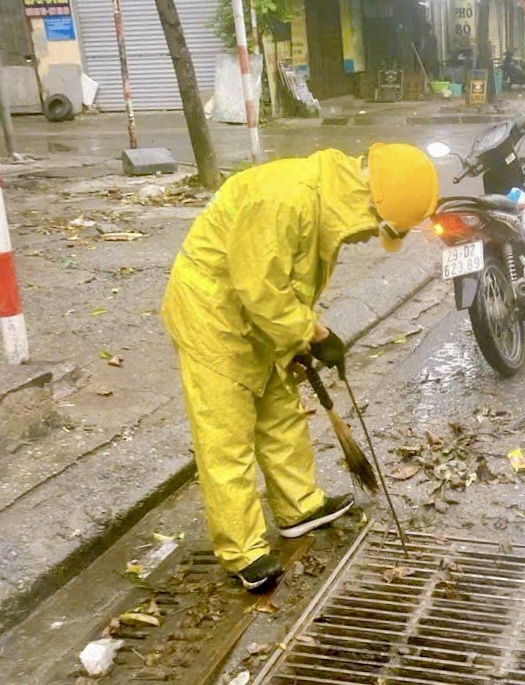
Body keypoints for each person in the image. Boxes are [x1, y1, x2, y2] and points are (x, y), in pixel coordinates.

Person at [160, 144, 439, 592]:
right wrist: (316, 335)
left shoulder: (324, 203)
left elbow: (284, 283)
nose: (371, 238)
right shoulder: (285, 198)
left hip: (257, 318)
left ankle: (298, 507)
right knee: (226, 436)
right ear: (370, 203)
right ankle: (243, 551)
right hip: (213, 316)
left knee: (281, 411)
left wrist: (297, 340)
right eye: (381, 229)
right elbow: (259, 287)